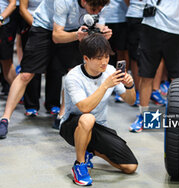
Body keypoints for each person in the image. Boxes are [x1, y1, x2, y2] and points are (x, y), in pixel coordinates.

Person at [0, 0, 112, 139]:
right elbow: (57, 36)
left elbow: (98, 26)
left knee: (73, 73)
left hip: (73, 29)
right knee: (26, 75)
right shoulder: (64, 1)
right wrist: (77, 36)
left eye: (100, 9)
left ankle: (62, 116)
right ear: (83, 1)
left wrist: (103, 34)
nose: (96, 12)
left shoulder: (102, 3)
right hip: (45, 27)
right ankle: (5, 119)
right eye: (94, 8)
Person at [60, 33, 138, 186]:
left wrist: (130, 86)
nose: (104, 62)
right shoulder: (74, 77)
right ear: (86, 58)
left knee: (130, 167)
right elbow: (84, 107)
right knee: (88, 118)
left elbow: (131, 100)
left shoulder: (109, 71)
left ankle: (91, 151)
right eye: (98, 58)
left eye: (106, 57)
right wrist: (105, 85)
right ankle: (80, 165)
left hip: (99, 126)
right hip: (72, 125)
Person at [129, 0, 179, 133]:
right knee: (146, 74)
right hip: (151, 25)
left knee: (178, 79)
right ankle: (144, 117)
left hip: (176, 28)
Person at [0, 0, 16, 87]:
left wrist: (0, 19)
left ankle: (19, 95)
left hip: (3, 28)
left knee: (6, 65)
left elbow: (13, 4)